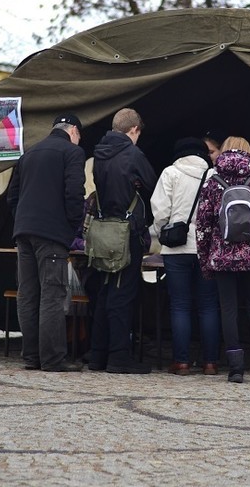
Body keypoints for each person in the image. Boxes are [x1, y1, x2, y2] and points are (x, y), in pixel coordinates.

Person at [7, 113, 86, 372]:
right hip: (51, 235)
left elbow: (12, 197)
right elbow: (74, 193)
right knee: (53, 295)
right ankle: (52, 359)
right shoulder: (72, 153)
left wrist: (22, 221)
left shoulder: (28, 153)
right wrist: (72, 228)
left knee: (28, 295)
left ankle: (31, 357)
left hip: (23, 232)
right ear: (73, 131)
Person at [195, 136, 250, 383]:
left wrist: (205, 258)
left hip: (222, 256)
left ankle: (235, 369)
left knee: (228, 309)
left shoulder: (213, 183)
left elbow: (203, 225)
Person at [87, 108, 157, 374]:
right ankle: (118, 357)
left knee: (104, 290)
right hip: (127, 233)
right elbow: (150, 184)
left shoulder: (99, 153)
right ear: (134, 130)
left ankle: (97, 355)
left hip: (104, 231)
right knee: (122, 293)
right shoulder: (133, 154)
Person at [150, 137, 220, 375]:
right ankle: (210, 362)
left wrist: (164, 232)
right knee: (208, 305)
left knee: (180, 305)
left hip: (176, 249)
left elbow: (159, 210)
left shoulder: (170, 173)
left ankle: (181, 362)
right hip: (206, 248)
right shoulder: (213, 176)